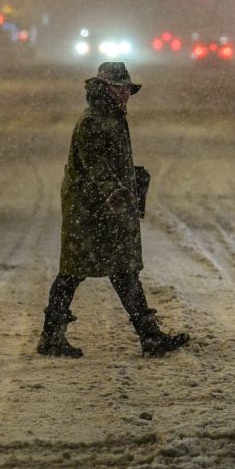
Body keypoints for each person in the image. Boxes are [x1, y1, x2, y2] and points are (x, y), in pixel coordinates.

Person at [37, 62, 189, 359]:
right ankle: (52, 338)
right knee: (73, 271)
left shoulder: (113, 117)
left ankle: (149, 336)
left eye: (127, 89)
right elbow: (96, 164)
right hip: (87, 209)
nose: (125, 94)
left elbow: (109, 162)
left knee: (123, 270)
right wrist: (115, 192)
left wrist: (128, 181)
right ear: (105, 88)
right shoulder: (93, 121)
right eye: (119, 88)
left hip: (106, 207)